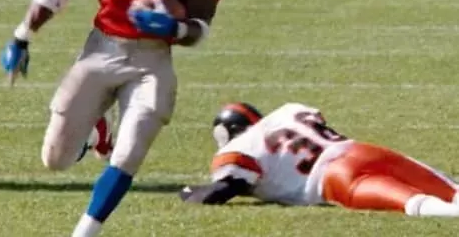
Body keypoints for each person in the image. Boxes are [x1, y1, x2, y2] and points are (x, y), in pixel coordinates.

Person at [0, 0, 241, 237]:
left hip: (153, 59)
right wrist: (22, 35)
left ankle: (85, 232)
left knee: (129, 152)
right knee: (55, 159)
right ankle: (96, 129)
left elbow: (200, 24)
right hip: (102, 48)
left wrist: (173, 28)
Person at [180, 102, 459, 217]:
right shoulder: (287, 111)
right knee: (451, 191)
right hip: (362, 150)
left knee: (415, 203)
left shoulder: (238, 148)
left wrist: (190, 193)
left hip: (334, 177)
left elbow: (226, 188)